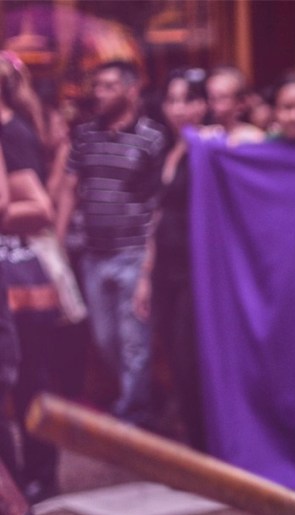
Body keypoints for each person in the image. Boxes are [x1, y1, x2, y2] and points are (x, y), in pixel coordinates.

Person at [57, 60, 167, 429]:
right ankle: (145, 398)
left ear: (131, 90)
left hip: (134, 253)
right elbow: (70, 188)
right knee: (104, 339)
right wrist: (58, 242)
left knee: (135, 341)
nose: (99, 93)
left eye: (108, 86)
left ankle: (133, 416)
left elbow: (158, 204)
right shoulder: (85, 135)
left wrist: (149, 264)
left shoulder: (152, 137)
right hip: (94, 254)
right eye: (97, 86)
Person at [0, 50, 59, 503]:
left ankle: (39, 474)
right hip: (9, 267)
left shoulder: (11, 132)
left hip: (18, 267)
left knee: (29, 377)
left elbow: (41, 209)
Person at [149, 68, 208, 450]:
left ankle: (203, 445)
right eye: (171, 100)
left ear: (202, 105)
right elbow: (156, 216)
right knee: (171, 353)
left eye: (187, 100)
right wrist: (145, 275)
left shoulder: (209, 148)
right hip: (164, 269)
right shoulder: (165, 150)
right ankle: (191, 436)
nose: (178, 109)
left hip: (195, 270)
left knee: (190, 360)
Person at [204, 65, 265, 145]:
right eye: (211, 97)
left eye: (222, 97)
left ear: (241, 103)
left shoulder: (254, 138)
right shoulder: (206, 134)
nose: (214, 104)